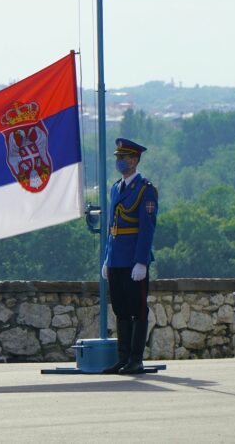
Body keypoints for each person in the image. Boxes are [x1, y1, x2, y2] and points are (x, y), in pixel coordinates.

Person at [101, 138, 158, 375]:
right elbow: (111, 226)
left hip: (134, 260)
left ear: (134, 160)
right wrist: (107, 258)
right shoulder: (116, 187)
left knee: (138, 310)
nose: (119, 161)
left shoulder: (146, 190)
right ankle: (122, 358)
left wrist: (141, 261)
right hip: (116, 259)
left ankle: (136, 359)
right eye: (118, 158)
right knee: (121, 310)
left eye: (123, 158)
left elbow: (147, 228)